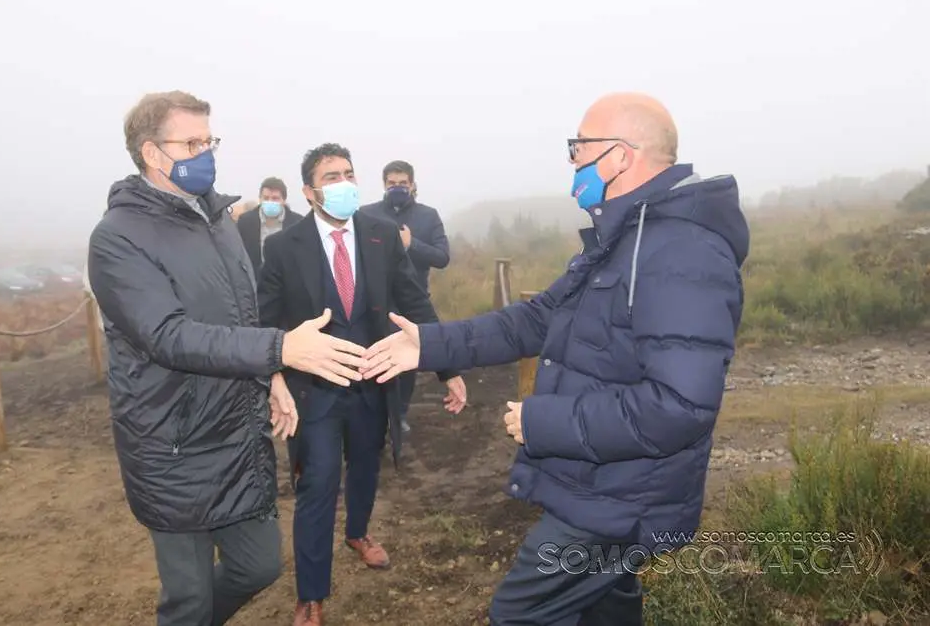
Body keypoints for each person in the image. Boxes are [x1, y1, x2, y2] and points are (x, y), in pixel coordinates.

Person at [361, 93, 750, 625]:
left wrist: (543, 421)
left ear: (619, 156)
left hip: (619, 500)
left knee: (518, 614)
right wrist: (429, 344)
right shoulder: (623, 237)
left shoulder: (682, 252)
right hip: (603, 485)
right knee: (605, 609)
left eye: (578, 146)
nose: (572, 161)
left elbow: (679, 406)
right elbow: (537, 319)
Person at [86, 91, 371, 626]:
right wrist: (281, 348)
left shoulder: (218, 221)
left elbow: (244, 316)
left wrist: (272, 377)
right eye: (191, 143)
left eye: (209, 140)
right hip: (173, 445)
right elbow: (168, 337)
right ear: (152, 153)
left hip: (236, 432)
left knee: (259, 566)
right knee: (189, 599)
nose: (206, 153)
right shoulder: (117, 239)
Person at [256, 142, 468, 626]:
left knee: (368, 467)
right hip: (316, 391)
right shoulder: (283, 247)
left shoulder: (382, 235)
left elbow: (415, 305)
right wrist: (274, 378)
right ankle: (311, 594)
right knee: (319, 482)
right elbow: (265, 322)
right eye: (331, 177)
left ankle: (358, 532)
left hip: (375, 384)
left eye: (349, 173)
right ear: (309, 192)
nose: (344, 183)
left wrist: (448, 366)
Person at [360, 160, 450, 433]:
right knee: (373, 358)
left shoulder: (428, 216)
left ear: (412, 185)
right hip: (374, 302)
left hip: (413, 301)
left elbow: (442, 257)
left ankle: (398, 415)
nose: (397, 188)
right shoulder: (366, 214)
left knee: (407, 363)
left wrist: (413, 244)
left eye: (402, 183)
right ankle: (374, 415)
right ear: (384, 185)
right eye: (391, 184)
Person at [237, 176, 303, 274]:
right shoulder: (245, 221)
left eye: (275, 198)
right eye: (266, 198)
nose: (270, 202)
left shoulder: (297, 223)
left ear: (284, 200)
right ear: (260, 199)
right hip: (255, 282)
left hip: (287, 281)